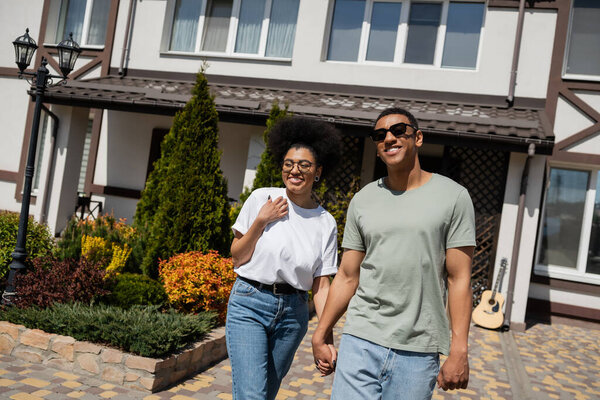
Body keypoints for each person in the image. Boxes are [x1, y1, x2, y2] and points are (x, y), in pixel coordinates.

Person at [312, 107, 476, 399]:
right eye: (380, 135)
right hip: (361, 338)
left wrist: (459, 349)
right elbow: (348, 276)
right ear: (377, 148)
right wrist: (321, 331)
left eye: (399, 131)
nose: (389, 138)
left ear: (419, 138)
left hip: (418, 349)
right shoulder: (362, 201)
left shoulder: (454, 197)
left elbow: (459, 278)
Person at [226, 116, 342, 400]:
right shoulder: (262, 198)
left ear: (318, 172)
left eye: (304, 165)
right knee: (252, 394)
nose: (295, 170)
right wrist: (260, 222)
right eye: (289, 163)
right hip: (249, 304)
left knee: (265, 394)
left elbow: (322, 286)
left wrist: (325, 336)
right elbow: (237, 258)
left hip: (293, 314)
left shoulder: (325, 222)